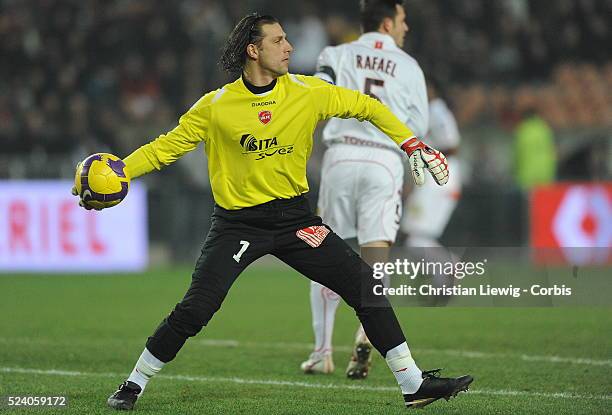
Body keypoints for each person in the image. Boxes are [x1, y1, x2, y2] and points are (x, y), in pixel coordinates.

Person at [73, 13, 471, 410]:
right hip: (237, 224)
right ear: (253, 49)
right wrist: (123, 169)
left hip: (296, 222)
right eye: (278, 40)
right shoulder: (216, 106)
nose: (289, 47)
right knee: (197, 308)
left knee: (366, 288)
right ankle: (134, 383)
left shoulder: (307, 92)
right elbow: (165, 148)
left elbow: (368, 107)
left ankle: (413, 383)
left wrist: (410, 143)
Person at [300, 0, 429, 380]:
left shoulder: (336, 53)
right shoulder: (408, 65)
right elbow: (419, 124)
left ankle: (322, 352)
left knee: (323, 252)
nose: (406, 28)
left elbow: (317, 97)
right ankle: (366, 331)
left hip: (340, 157)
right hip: (385, 160)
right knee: (376, 256)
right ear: (388, 23)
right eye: (403, 20)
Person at [400, 79, 462, 304]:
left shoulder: (437, 111)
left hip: (440, 180)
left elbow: (452, 146)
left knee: (415, 237)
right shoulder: (427, 113)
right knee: (415, 236)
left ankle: (448, 267)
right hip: (435, 180)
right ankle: (441, 281)